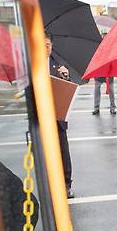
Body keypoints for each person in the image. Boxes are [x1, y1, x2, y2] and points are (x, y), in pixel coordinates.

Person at [45, 32, 75, 198]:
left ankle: (66, 184)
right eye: (42, 45)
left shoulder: (59, 64)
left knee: (62, 151)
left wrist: (66, 76)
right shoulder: (32, 65)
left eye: (48, 45)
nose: (46, 49)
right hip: (41, 117)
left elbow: (68, 87)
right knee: (44, 152)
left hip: (58, 116)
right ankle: (48, 183)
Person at [92, 33, 117, 115]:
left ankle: (113, 107)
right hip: (99, 71)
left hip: (109, 71)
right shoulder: (98, 46)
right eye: (103, 36)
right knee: (97, 89)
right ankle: (96, 107)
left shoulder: (112, 47)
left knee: (111, 90)